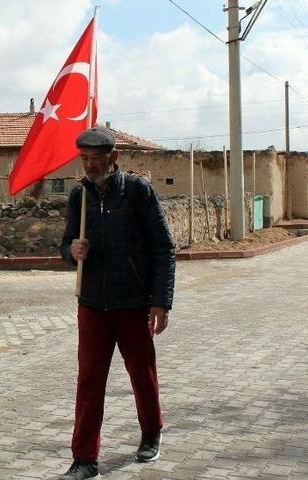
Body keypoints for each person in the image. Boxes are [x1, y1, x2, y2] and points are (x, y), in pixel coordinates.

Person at [58, 127, 176, 480]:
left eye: (97, 158)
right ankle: (84, 459)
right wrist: (71, 251)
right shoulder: (79, 196)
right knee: (89, 380)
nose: (90, 165)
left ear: (114, 157)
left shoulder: (138, 192)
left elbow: (163, 248)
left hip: (134, 303)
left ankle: (151, 431)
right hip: (93, 303)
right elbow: (66, 245)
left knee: (142, 374)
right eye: (85, 159)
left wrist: (161, 301)